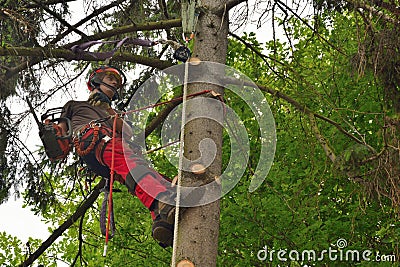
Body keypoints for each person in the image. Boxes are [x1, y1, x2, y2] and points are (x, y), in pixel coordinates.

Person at [58, 65, 178, 247]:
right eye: (109, 78)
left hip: (113, 147)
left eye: (117, 81)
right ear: (96, 81)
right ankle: (160, 201)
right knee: (135, 168)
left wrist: (109, 111)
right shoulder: (75, 106)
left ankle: (163, 222)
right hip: (97, 140)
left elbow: (128, 132)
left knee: (143, 172)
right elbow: (61, 137)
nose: (114, 82)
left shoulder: (112, 113)